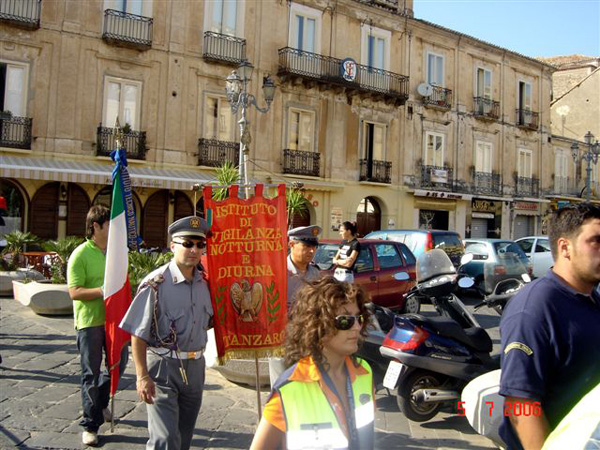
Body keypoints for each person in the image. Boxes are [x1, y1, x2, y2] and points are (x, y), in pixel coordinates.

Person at [498, 203, 600, 450]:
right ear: (565, 247)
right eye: (596, 241)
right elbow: (520, 403)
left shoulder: (591, 298)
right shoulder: (534, 309)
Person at [119, 216, 213, 450]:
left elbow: (207, 322)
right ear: (172, 246)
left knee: (184, 435)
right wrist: (142, 376)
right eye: (187, 243)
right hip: (163, 367)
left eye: (200, 245)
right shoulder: (155, 283)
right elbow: (138, 333)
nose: (194, 250)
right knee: (165, 439)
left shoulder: (206, 284)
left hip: (195, 366)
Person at [251, 276, 375, 450]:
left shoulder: (364, 372)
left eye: (359, 318)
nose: (356, 327)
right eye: (345, 321)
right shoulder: (289, 389)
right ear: (318, 325)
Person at [67, 205, 128, 447]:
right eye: (108, 226)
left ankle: (100, 405)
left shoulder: (115, 254)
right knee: (90, 374)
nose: (113, 230)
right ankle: (90, 425)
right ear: (95, 227)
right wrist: (104, 292)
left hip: (114, 321)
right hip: (89, 323)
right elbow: (74, 292)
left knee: (118, 365)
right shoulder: (80, 255)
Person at [269, 225, 322, 387]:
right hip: (281, 338)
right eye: (306, 246)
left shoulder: (315, 274)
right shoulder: (276, 270)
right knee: (281, 385)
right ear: (291, 244)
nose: (311, 251)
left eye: (314, 247)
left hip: (306, 338)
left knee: (303, 385)